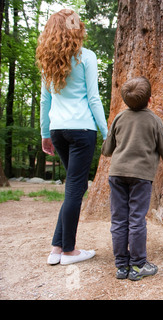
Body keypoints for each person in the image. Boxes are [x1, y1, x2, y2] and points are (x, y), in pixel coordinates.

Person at [37, 9, 108, 265]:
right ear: (77, 28)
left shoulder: (48, 60)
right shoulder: (86, 57)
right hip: (81, 131)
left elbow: (45, 100)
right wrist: (107, 132)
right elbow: (93, 98)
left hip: (57, 130)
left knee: (73, 188)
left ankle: (56, 248)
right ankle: (69, 251)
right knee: (76, 189)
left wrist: (45, 134)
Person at [102, 76, 163, 280]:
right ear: (150, 99)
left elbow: (106, 150)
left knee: (119, 219)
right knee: (136, 219)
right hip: (141, 178)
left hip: (117, 174)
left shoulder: (119, 118)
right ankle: (138, 265)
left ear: (124, 100)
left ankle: (122, 266)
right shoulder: (154, 120)